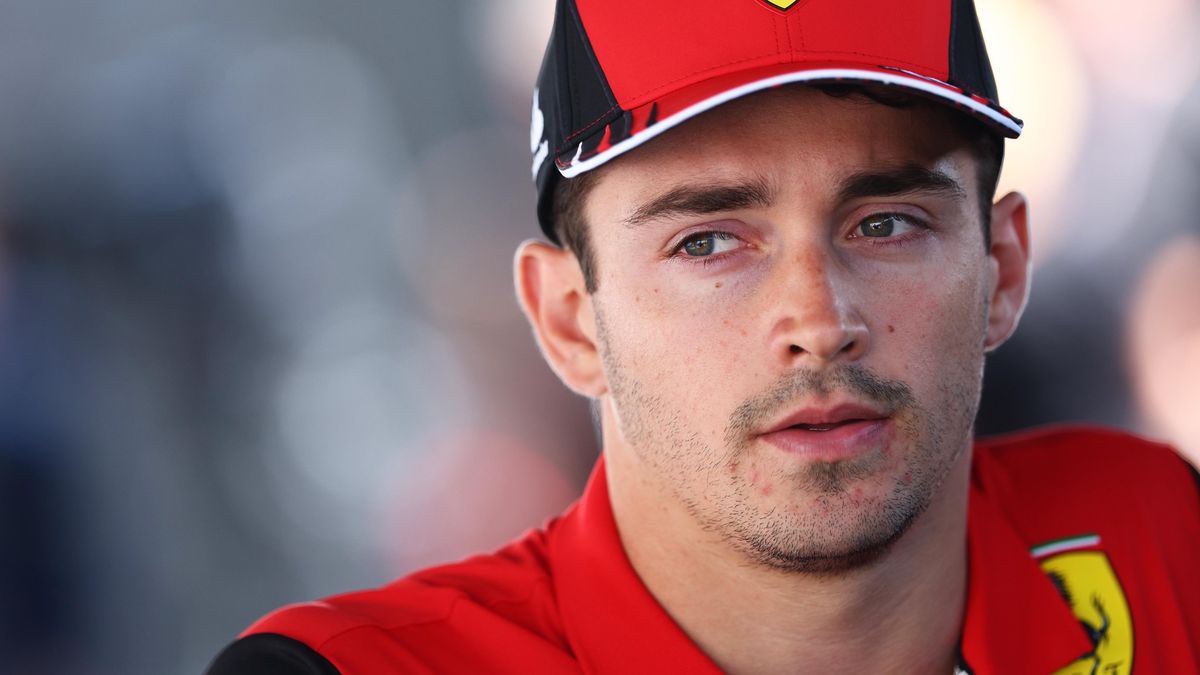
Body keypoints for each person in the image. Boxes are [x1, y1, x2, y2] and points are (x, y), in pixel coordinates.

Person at [207, 0, 1200, 672]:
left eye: (886, 223)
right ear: (568, 319)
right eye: (709, 241)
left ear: (1003, 269)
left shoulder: (1165, 543)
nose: (819, 323)